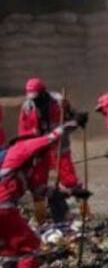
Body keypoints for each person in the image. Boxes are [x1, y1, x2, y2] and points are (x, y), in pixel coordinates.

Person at [1, 122, 76, 268]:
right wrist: (67, 126)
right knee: (30, 248)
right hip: (3, 210)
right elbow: (48, 139)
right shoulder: (18, 149)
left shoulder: (22, 168)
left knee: (12, 249)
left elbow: (40, 191)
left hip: (5, 210)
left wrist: (72, 192)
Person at [17, 78, 91, 221]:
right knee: (37, 182)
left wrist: (79, 119)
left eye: (37, 97)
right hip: (38, 148)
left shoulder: (59, 101)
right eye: (32, 97)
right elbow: (23, 130)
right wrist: (26, 148)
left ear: (43, 92)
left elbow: (71, 119)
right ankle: (40, 217)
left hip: (59, 146)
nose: (35, 101)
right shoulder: (27, 107)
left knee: (69, 180)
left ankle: (85, 212)